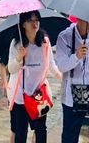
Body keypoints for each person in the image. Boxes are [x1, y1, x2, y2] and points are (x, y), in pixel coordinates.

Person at [7, 11, 60, 143]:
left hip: (38, 96)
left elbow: (51, 64)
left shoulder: (45, 42)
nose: (34, 23)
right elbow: (11, 69)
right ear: (24, 24)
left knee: (41, 131)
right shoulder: (16, 43)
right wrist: (19, 57)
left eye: (37, 20)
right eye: (30, 20)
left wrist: (62, 77)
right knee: (20, 133)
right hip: (20, 96)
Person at [54, 18, 89, 143]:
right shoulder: (64, 37)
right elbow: (61, 66)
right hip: (71, 96)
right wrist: (76, 56)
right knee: (69, 137)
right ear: (78, 19)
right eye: (86, 21)